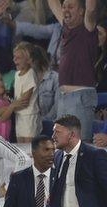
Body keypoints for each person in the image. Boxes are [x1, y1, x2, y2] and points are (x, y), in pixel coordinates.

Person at [48, 0, 99, 141]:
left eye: (70, 7)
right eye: (64, 7)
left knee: (79, 149)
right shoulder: (65, 27)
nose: (65, 10)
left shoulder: (87, 27)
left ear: (81, 11)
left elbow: (91, 7)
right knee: (63, 149)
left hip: (80, 97)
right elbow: (52, 3)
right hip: (63, 97)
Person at [12, 41, 40, 143]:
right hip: (19, 117)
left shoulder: (31, 74)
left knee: (29, 148)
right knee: (21, 148)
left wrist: (10, 106)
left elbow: (24, 101)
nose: (14, 60)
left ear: (29, 60)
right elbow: (17, 101)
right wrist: (13, 105)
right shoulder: (17, 74)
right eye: (14, 57)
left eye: (18, 58)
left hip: (29, 117)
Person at [31, 44, 59, 122]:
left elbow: (57, 106)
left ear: (37, 60)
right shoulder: (26, 79)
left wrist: (43, 121)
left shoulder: (55, 78)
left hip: (50, 124)